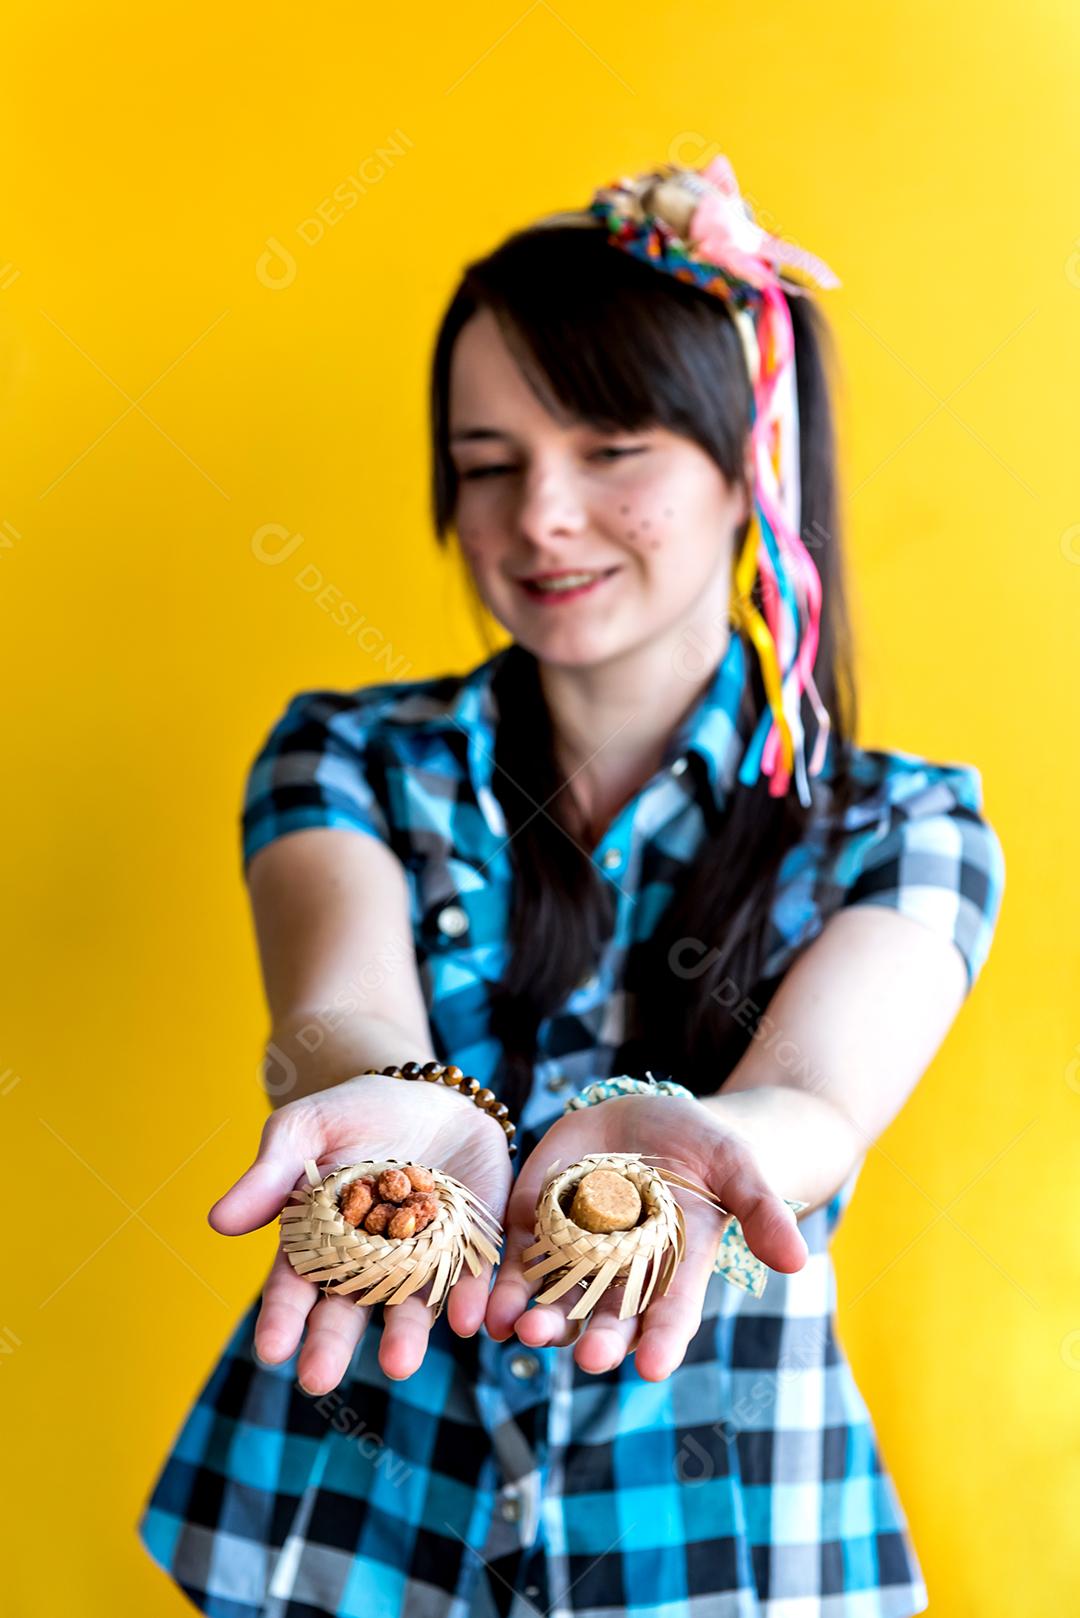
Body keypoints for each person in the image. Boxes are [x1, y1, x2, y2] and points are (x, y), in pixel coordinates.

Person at [137, 156, 1005, 1618]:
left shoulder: (902, 820)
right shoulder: (347, 757)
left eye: (613, 448)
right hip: (359, 1510)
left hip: (723, 1533)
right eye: (487, 461)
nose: (539, 515)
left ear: (751, 469)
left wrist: (709, 1141)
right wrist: (379, 1101)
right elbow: (338, 1005)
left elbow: (815, 1098)